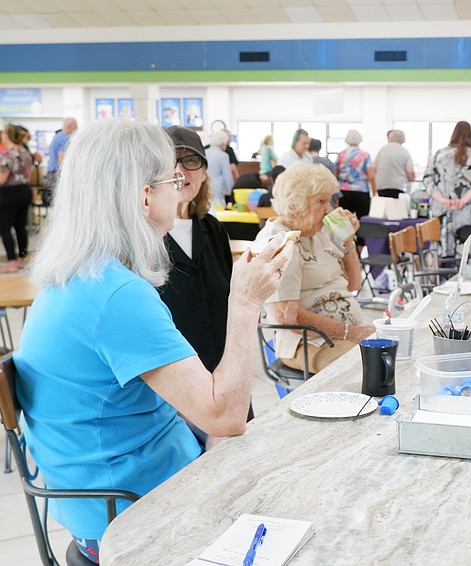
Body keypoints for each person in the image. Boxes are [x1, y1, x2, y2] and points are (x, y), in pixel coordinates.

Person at [12, 119, 294, 563]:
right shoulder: (115, 295)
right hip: (136, 515)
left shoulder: (78, 275)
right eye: (171, 180)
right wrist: (244, 301)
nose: (179, 190)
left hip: (115, 493)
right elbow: (225, 415)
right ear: (146, 196)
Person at [256, 164, 374, 373]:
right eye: (321, 201)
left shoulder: (316, 233)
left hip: (340, 335)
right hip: (305, 341)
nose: (329, 208)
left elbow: (354, 284)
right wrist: (350, 332)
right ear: (295, 205)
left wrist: (347, 239)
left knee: (391, 354)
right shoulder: (280, 241)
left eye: (329, 200)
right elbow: (286, 317)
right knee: (364, 368)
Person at [159, 126, 233, 372]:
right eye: (170, 161)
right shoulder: (143, 237)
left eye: (190, 160)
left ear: (203, 173)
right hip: (172, 384)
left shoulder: (214, 231)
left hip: (222, 371)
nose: (180, 170)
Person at [423, 120, 471, 256]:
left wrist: (444, 200)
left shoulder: (439, 155)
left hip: (442, 212)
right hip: (467, 214)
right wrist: (462, 201)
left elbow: (428, 180)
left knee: (437, 251)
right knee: (465, 254)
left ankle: (438, 277)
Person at [0, 124, 34, 273]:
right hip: (24, 190)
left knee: (4, 227)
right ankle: (21, 259)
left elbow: (2, 178)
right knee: (21, 227)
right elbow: (30, 174)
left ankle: (11, 262)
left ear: (7, 135)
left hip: (9, 193)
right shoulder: (25, 151)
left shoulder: (8, 154)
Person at [335, 129, 376, 220]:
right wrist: (374, 193)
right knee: (363, 219)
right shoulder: (365, 155)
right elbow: (371, 176)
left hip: (344, 192)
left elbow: (336, 173)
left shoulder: (341, 155)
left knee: (345, 220)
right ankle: (361, 234)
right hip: (361, 191)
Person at [43, 117, 77, 206]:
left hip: (51, 172)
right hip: (57, 173)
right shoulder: (65, 138)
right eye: (75, 127)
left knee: (53, 201)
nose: (76, 130)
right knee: (59, 202)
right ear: (70, 126)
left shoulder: (58, 136)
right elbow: (61, 159)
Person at [374, 128, 415, 199]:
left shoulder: (382, 150)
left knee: (385, 208)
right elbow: (410, 172)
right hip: (399, 187)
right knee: (397, 209)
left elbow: (374, 167)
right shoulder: (404, 152)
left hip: (382, 186)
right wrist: (412, 182)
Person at [204, 129, 235, 208]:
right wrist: (229, 191)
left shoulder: (204, 152)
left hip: (204, 186)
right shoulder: (223, 156)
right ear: (223, 142)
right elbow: (227, 177)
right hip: (217, 190)